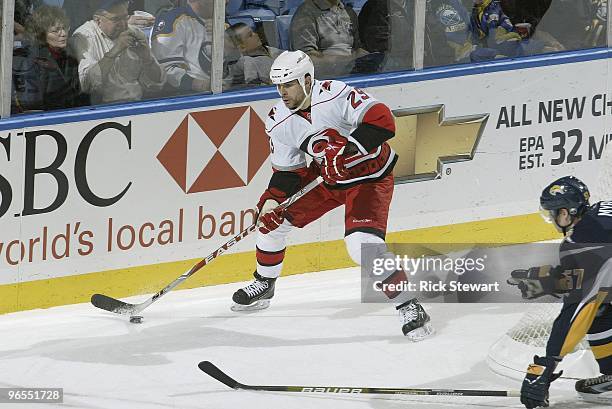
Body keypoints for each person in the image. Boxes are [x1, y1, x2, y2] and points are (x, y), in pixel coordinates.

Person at [230, 50, 434, 340]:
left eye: (288, 84)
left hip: (369, 178)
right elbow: (289, 172)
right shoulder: (278, 120)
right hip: (326, 178)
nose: (282, 92)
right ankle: (265, 282)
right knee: (271, 224)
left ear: (307, 79)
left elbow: (383, 121)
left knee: (361, 245)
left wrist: (349, 149)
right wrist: (273, 200)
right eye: (278, 86)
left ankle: (409, 305)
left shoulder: (336, 93)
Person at [508, 176, 612, 407]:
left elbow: (577, 310)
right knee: (603, 306)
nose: (552, 219)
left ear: (565, 213)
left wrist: (546, 364)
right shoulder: (600, 214)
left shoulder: (583, 242)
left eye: (552, 213)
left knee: (594, 307)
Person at [71, 0, 165, 104]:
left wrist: (147, 57)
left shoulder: (135, 33)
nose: (124, 24)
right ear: (98, 20)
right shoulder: (84, 36)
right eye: (116, 19)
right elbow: (88, 85)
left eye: (125, 17)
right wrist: (115, 50)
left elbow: (156, 84)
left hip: (137, 104)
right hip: (102, 109)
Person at [12, 5, 89, 113]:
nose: (63, 34)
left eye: (64, 28)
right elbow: (31, 105)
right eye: (55, 31)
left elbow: (78, 97)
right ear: (42, 34)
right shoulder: (30, 62)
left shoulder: (70, 59)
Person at [290, 0, 372, 76]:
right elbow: (306, 59)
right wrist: (350, 60)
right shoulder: (305, 13)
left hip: (355, 74)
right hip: (326, 79)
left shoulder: (349, 12)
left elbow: (358, 48)